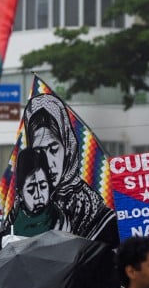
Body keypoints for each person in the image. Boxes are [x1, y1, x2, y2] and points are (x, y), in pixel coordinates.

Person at [22, 93, 118, 244]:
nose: (49, 162)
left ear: (67, 147)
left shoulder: (92, 209)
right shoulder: (24, 209)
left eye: (53, 149)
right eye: (39, 152)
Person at [6, 148, 66, 237]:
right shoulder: (12, 219)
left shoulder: (59, 221)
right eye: (31, 190)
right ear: (20, 193)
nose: (38, 195)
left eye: (43, 187)